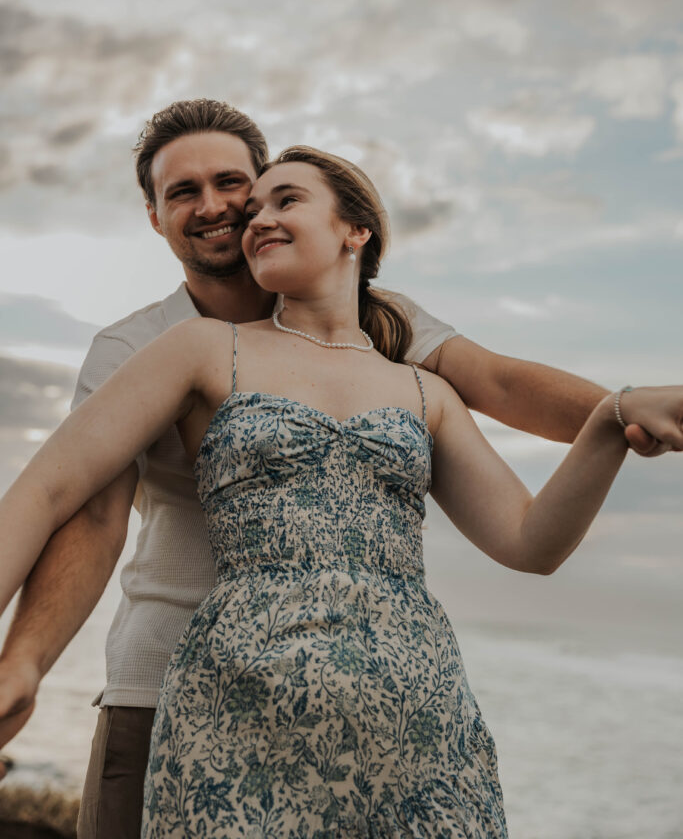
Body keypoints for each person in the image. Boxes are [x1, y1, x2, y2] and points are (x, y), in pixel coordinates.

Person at [0, 101, 661, 838]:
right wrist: (21, 660)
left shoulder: (405, 356)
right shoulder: (177, 347)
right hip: (197, 689)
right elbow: (76, 504)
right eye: (183, 191)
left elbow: (515, 456)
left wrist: (622, 416)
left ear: (354, 230)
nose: (229, 211)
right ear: (153, 215)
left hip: (405, 710)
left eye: (251, 193)